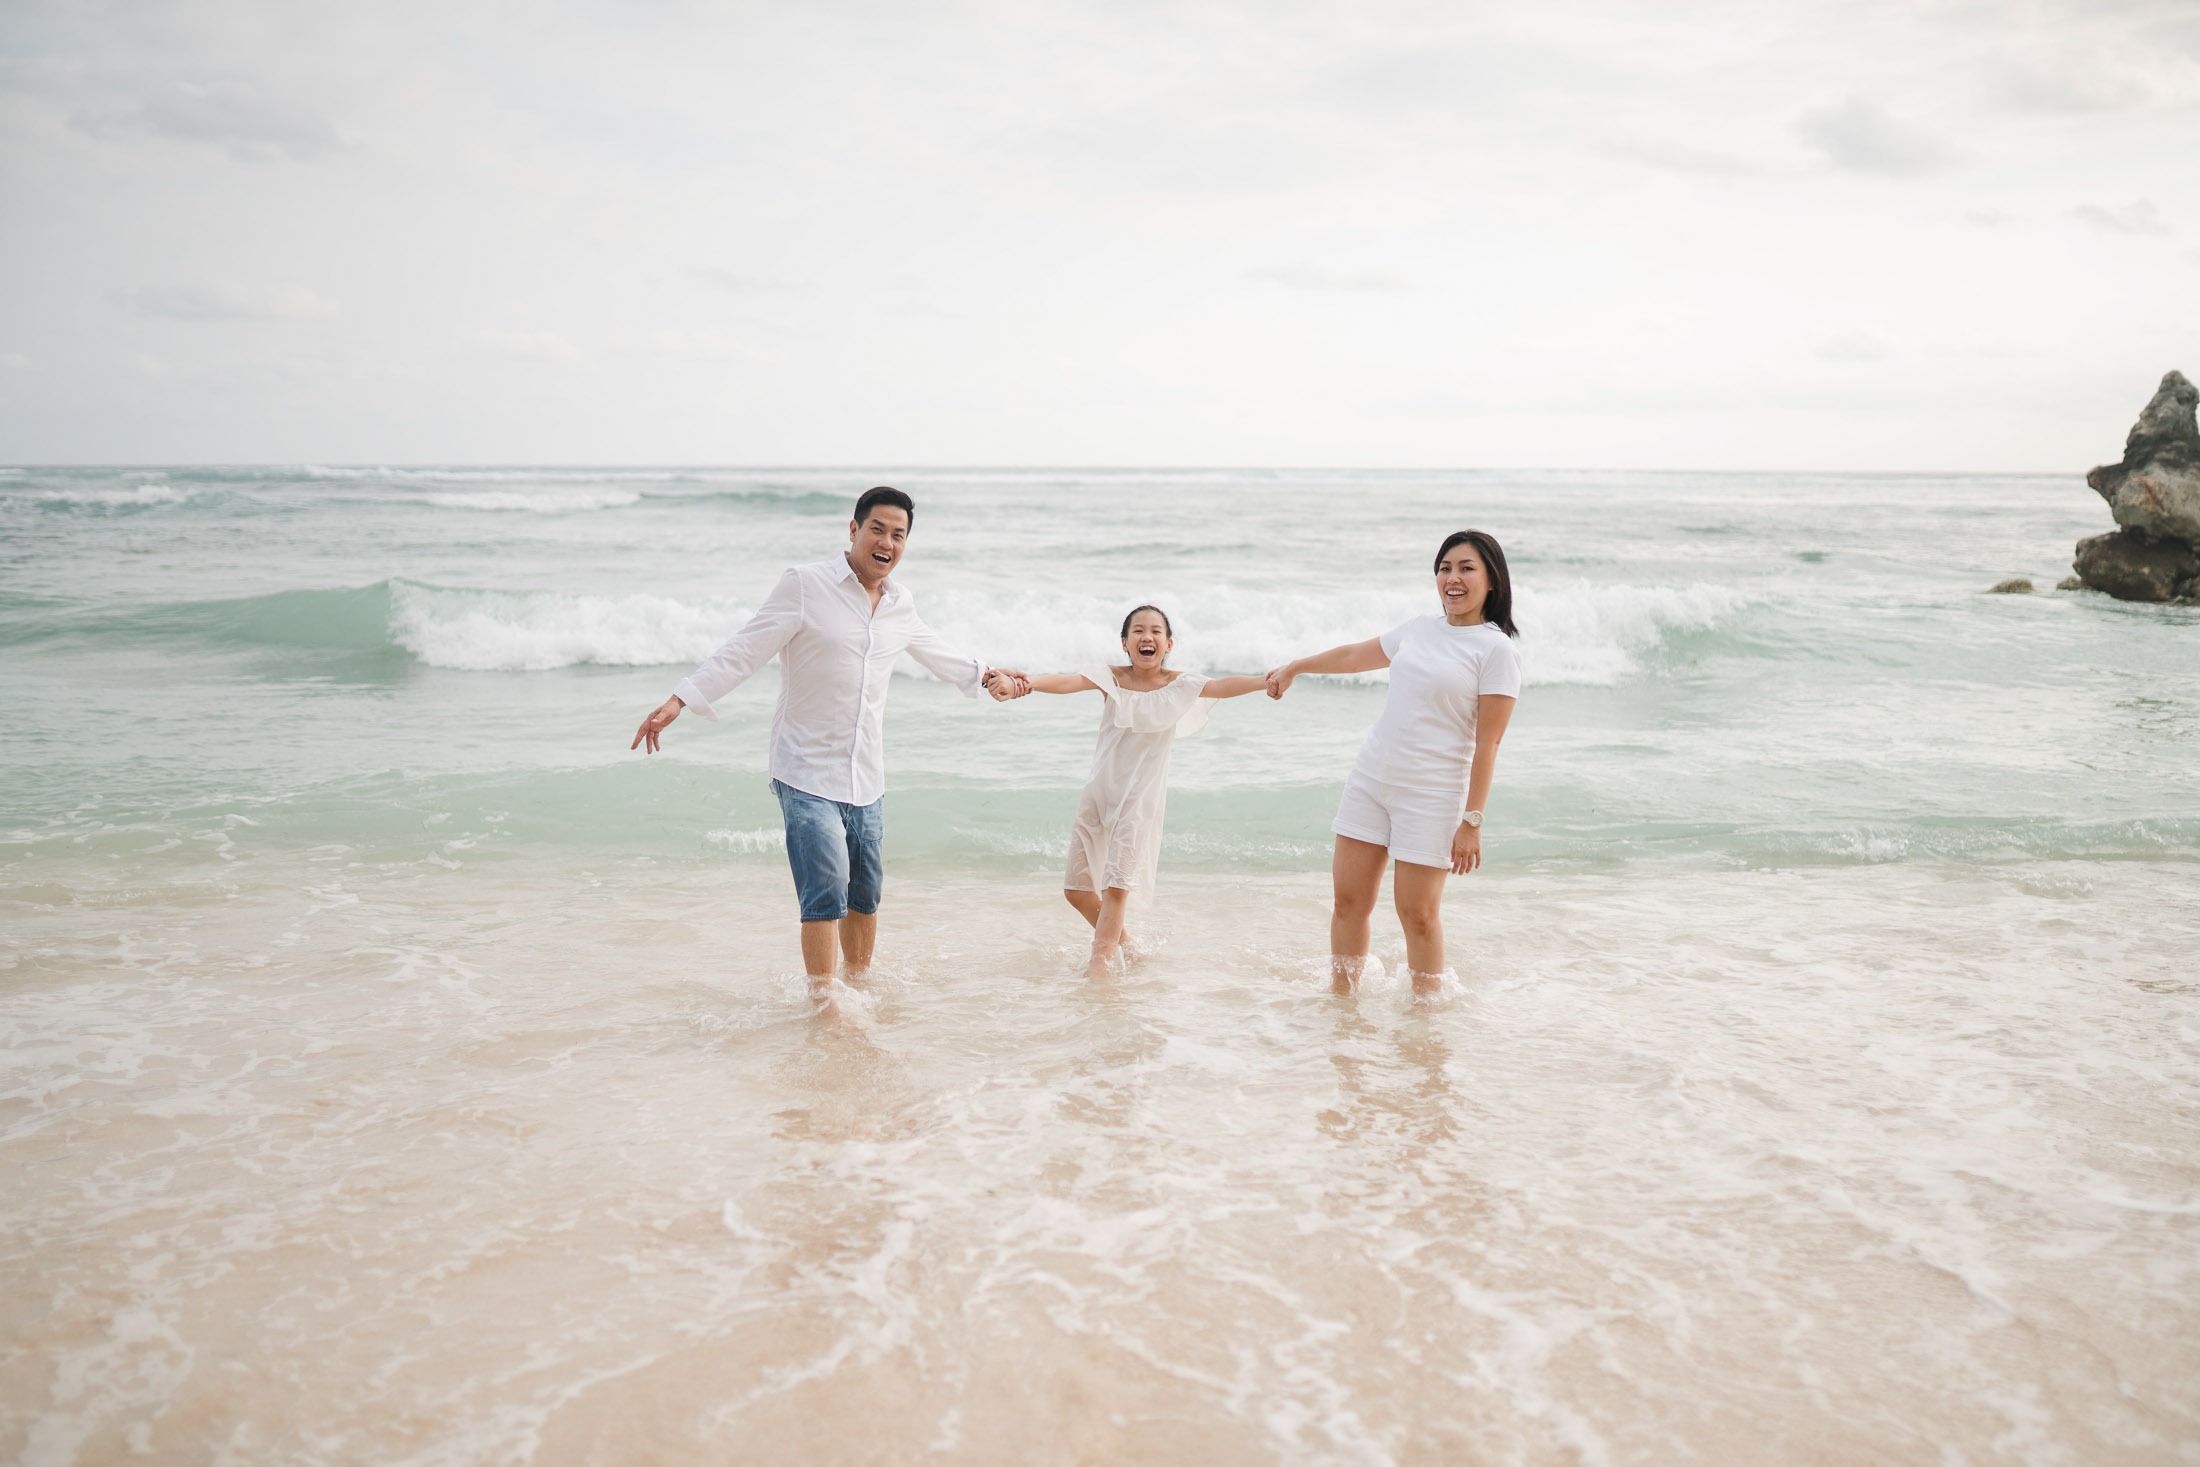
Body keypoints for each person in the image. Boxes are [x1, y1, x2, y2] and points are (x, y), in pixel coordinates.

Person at [630, 486, 1028, 1004]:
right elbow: (744, 648)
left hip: (866, 774)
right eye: (878, 529)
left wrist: (989, 675)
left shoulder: (899, 604)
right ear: (853, 530)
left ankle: (858, 985)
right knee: (825, 888)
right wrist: (680, 699)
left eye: (899, 534)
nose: (887, 542)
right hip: (805, 769)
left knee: (864, 894)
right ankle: (824, 1003)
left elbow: (937, 651)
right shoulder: (805, 584)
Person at [1265, 530, 1521, 998]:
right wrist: (1296, 666)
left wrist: (1473, 821)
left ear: (1492, 581)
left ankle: (1425, 1019)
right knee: (1348, 902)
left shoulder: (1496, 650)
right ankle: (1342, 1003)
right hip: (1371, 780)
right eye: (1445, 568)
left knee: (1418, 915)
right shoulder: (1418, 628)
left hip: (1433, 793)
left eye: (1467, 568)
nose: (1453, 578)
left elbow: (1489, 745)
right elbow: (1353, 655)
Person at [1016, 605, 1270, 978]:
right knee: (1077, 890)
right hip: (1098, 795)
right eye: (1137, 631)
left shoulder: (1181, 685)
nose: (1146, 637)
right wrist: (1028, 683)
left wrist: (1267, 681)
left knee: (1117, 886)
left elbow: (1223, 686)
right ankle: (1128, 947)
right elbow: (1068, 681)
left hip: (1139, 802)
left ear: (1168, 644)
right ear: (1124, 643)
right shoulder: (1111, 678)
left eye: (1155, 631)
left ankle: (1099, 967)